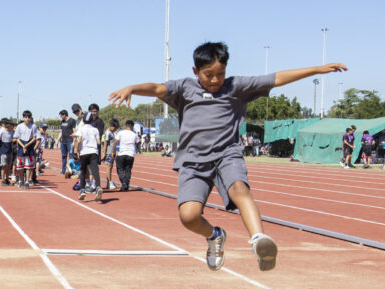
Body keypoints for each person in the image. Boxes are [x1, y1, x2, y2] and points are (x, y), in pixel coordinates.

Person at [108, 40, 347, 271]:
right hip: (192, 160)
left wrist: (318, 69)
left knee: (240, 189)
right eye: (208, 74)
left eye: (220, 74)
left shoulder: (236, 87)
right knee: (188, 216)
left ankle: (258, 239)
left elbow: (276, 78)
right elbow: (158, 88)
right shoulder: (184, 88)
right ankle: (214, 236)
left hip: (226, 154)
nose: (214, 80)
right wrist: (133, 88)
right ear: (196, 70)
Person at [72, 112, 103, 201]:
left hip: (84, 152)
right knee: (95, 171)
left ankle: (82, 190)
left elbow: (79, 140)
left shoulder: (81, 129)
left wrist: (76, 150)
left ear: (83, 120)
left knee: (83, 171)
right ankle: (98, 187)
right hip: (93, 152)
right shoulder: (95, 130)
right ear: (91, 120)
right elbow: (98, 142)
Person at [14, 110, 39, 189]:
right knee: (20, 166)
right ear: (23, 118)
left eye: (29, 117)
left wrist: (27, 145)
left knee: (29, 166)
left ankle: (27, 181)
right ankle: (21, 180)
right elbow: (16, 138)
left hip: (30, 147)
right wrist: (23, 146)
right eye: (25, 117)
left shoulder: (33, 126)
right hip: (21, 147)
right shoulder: (19, 126)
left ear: (31, 118)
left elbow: (34, 138)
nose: (27, 119)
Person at [114, 119, 140, 192]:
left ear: (126, 126)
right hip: (130, 154)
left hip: (122, 153)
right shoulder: (134, 134)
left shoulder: (121, 132)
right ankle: (126, 185)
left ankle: (124, 183)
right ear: (132, 126)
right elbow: (139, 142)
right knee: (128, 169)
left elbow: (115, 142)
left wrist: (113, 151)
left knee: (120, 169)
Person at [0, 120, 16, 186]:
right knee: (4, 165)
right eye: (12, 126)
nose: (13, 128)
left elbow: (14, 138)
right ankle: (3, 180)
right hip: (3, 150)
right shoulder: (2, 131)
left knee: (9, 165)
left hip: (9, 150)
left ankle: (7, 179)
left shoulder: (12, 132)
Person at [102, 119, 119, 189]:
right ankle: (109, 182)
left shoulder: (111, 132)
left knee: (110, 167)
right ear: (112, 126)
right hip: (109, 153)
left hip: (112, 152)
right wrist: (104, 153)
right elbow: (105, 144)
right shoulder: (108, 132)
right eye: (115, 128)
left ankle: (108, 183)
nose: (115, 129)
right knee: (108, 167)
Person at [58, 110, 76, 175]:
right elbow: (61, 131)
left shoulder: (72, 121)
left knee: (71, 156)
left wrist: (74, 141)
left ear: (64, 115)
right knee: (63, 156)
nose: (60, 117)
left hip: (70, 141)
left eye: (61, 116)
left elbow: (74, 131)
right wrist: (57, 140)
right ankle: (63, 170)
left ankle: (72, 170)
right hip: (63, 141)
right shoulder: (62, 122)